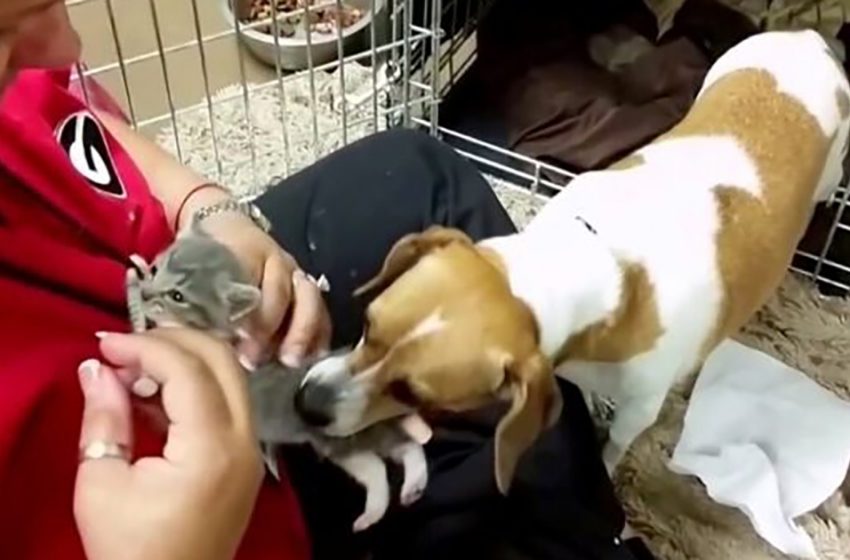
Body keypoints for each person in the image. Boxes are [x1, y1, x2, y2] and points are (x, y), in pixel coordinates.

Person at [0, 1, 654, 559]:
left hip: (209, 323)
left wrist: (208, 207)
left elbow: (71, 113)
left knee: (417, 171)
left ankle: (581, 516)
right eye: (4, 41)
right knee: (503, 477)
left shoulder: (35, 80)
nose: (66, 44)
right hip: (221, 526)